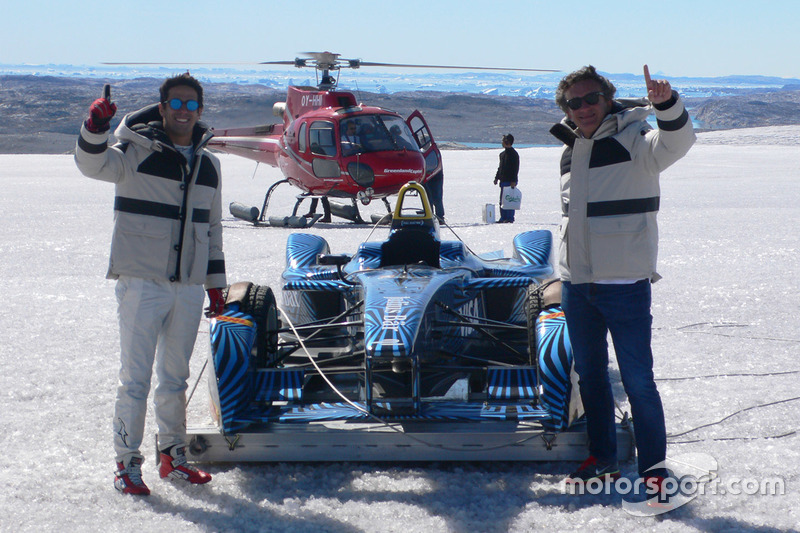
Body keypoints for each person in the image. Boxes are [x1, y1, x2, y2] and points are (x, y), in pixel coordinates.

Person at [75, 73, 227, 496]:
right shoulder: (133, 153)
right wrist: (95, 127)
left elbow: (212, 228)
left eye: (191, 104)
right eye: (175, 104)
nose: (183, 111)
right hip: (142, 284)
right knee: (135, 380)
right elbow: (91, 164)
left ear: (200, 110)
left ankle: (172, 457)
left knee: (174, 378)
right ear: (162, 108)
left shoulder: (209, 164)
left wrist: (215, 283)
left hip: (190, 287)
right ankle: (126, 463)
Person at [551, 65, 695, 495]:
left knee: (638, 381)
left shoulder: (636, 138)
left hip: (624, 284)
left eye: (591, 98)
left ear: (608, 98)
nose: (583, 108)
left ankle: (654, 469)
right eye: (574, 103)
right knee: (591, 378)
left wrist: (667, 105)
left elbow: (677, 142)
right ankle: (603, 459)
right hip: (578, 284)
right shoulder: (571, 147)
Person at [493, 133, 519, 223]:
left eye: (503, 141)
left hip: (510, 181)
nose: (502, 142)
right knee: (502, 200)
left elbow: (515, 168)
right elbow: (500, 167)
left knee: (509, 199)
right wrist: (497, 177)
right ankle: (503, 217)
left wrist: (513, 180)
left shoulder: (514, 154)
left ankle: (509, 218)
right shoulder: (502, 155)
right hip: (503, 180)